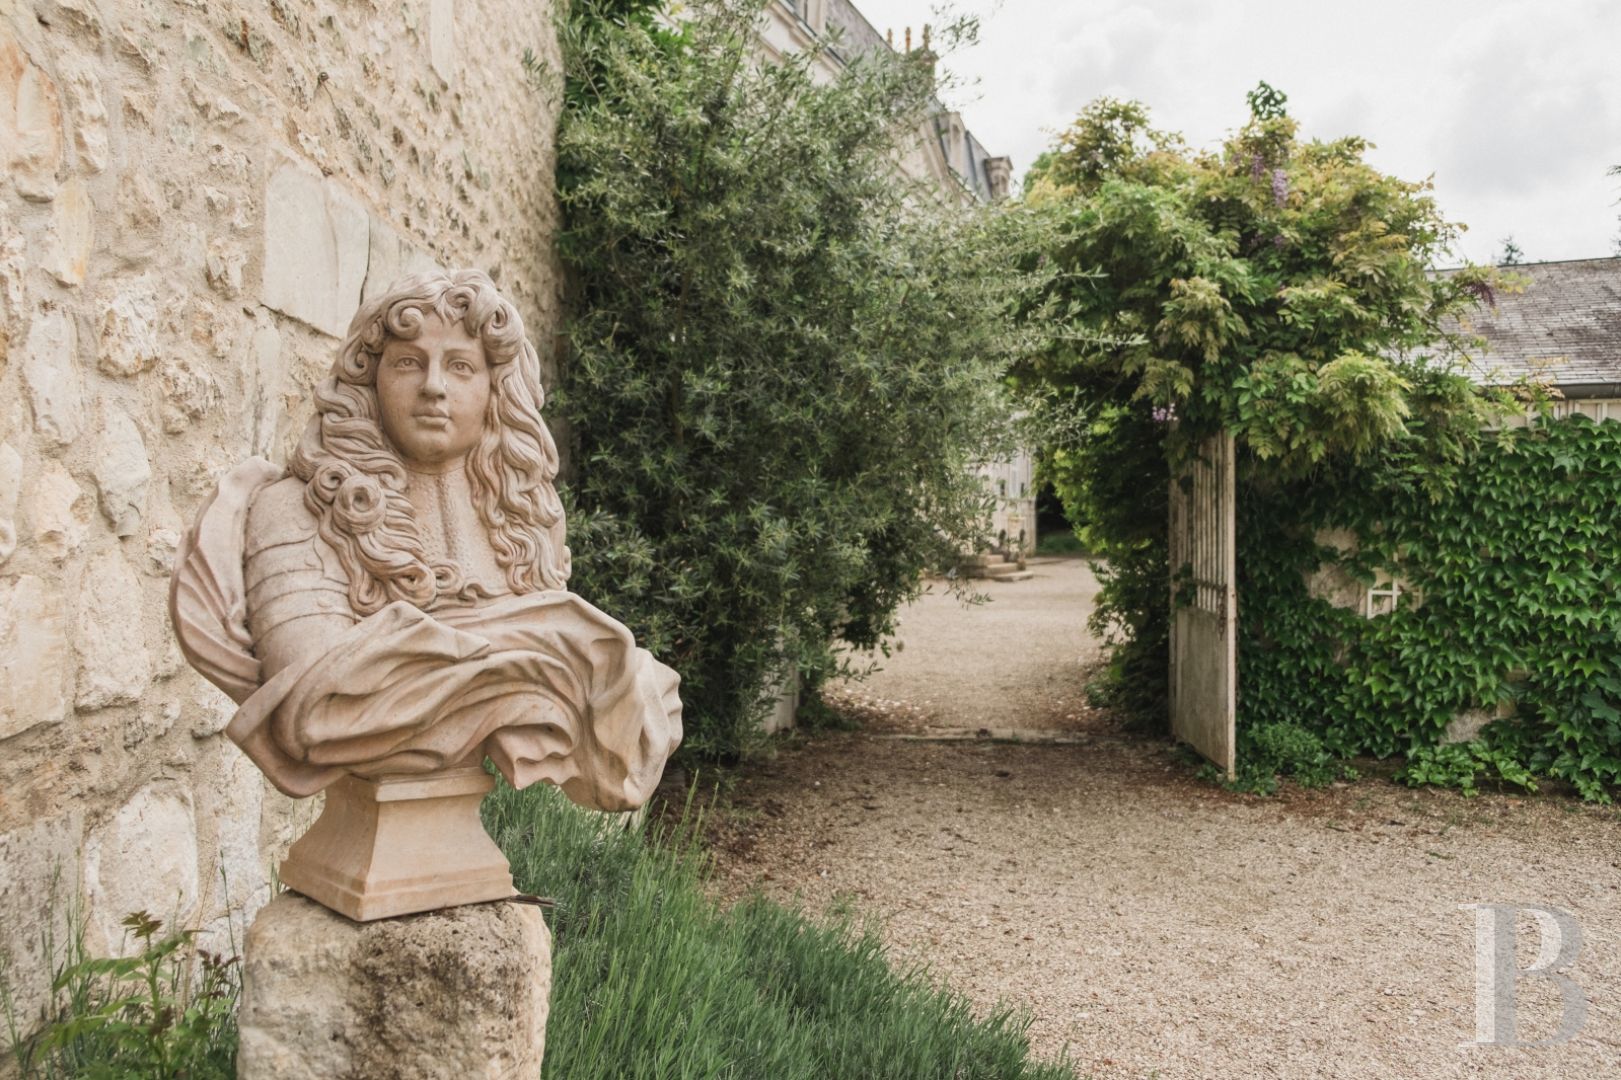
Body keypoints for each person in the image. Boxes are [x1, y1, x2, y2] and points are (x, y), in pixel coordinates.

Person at [171, 270, 681, 812]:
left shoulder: (527, 525)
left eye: (460, 366)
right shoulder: (298, 508)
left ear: (494, 388)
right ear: (370, 380)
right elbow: (314, 705)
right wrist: (559, 647)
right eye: (408, 363)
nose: (433, 385)